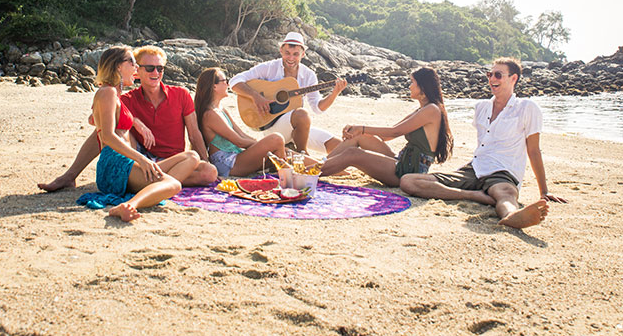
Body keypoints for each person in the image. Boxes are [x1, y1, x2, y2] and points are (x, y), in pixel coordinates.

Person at [400, 58, 567, 229]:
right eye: (490, 74)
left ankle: (511, 215)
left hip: (503, 172)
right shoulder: (481, 107)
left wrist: (544, 191)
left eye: (498, 75)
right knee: (408, 181)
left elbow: (533, 150)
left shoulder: (527, 108)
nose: (492, 79)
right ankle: (474, 195)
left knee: (505, 194)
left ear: (513, 78)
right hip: (474, 169)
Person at [39, 45, 218, 192]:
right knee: (110, 128)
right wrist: (135, 122)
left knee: (208, 172)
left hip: (172, 159)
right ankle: (70, 175)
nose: (156, 72)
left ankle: (155, 182)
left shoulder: (180, 94)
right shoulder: (125, 97)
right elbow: (95, 120)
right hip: (140, 157)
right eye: (149, 68)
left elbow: (194, 134)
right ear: (137, 70)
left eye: (160, 68)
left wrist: (206, 159)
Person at [75, 46, 201, 221]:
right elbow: (107, 136)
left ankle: (149, 189)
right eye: (132, 63)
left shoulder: (113, 93)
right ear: (119, 66)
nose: (136, 68)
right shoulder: (108, 92)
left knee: (191, 156)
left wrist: (134, 121)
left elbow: (96, 118)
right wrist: (141, 158)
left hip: (123, 162)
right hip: (115, 164)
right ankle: (130, 205)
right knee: (173, 184)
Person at [320, 67, 453, 186]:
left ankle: (309, 173)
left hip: (410, 171)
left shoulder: (432, 110)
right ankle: (321, 165)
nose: (409, 87)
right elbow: (387, 136)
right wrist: (356, 130)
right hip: (403, 161)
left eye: (412, 82)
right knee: (359, 137)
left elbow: (395, 132)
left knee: (353, 154)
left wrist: (362, 127)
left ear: (423, 86)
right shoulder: (423, 109)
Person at [229, 31, 347, 155]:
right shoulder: (268, 67)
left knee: (338, 146)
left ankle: (293, 149)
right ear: (281, 50)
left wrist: (335, 93)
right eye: (287, 53)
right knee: (302, 114)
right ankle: (302, 154)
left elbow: (318, 108)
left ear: (303, 54)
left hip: (298, 129)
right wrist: (256, 97)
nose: (291, 58)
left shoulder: (308, 75)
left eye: (296, 54)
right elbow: (234, 81)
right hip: (272, 128)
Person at [195, 67, 320, 176]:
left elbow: (241, 134)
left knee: (282, 148)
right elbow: (238, 141)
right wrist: (263, 145)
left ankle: (322, 167)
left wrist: (262, 145)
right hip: (227, 163)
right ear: (214, 86)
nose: (228, 84)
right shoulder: (210, 114)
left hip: (237, 156)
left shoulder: (221, 110)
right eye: (224, 81)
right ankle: (288, 172)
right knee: (276, 140)